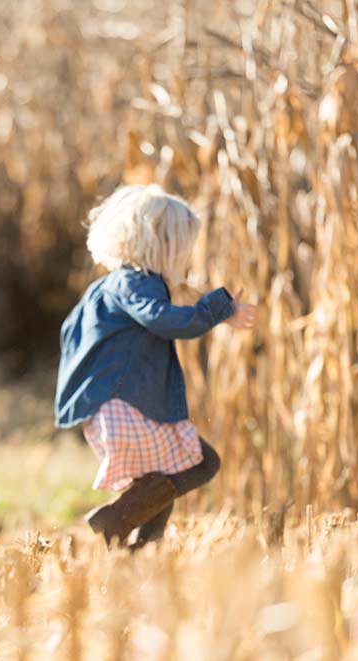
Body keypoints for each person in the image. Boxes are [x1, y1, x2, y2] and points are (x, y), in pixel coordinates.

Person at [54, 184, 257, 549]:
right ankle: (115, 521)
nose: (186, 255)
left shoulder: (108, 286)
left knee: (160, 477)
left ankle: (141, 549)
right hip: (124, 404)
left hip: (110, 405)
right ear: (161, 244)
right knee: (201, 463)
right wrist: (217, 309)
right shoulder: (137, 282)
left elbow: (69, 332)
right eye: (182, 246)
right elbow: (162, 320)